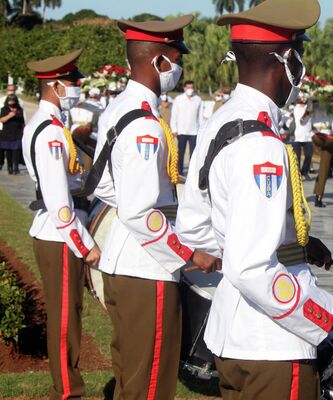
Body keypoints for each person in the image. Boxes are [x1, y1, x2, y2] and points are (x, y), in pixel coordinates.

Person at [177, 1, 333, 398]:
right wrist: (329, 310)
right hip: (273, 343)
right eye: (300, 56)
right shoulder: (262, 146)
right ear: (287, 59)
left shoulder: (220, 121)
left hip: (232, 335)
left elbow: (195, 227)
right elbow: (250, 267)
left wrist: (290, 246)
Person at [92, 16, 219, 400]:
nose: (179, 68)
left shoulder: (118, 108)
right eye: (176, 58)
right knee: (149, 387)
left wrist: (133, 201)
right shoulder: (146, 126)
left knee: (131, 375)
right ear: (159, 62)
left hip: (123, 259)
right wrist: (189, 253)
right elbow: (138, 211)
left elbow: (100, 183)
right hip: (148, 269)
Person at [23, 49, 101, 400]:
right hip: (60, 236)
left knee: (67, 316)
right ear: (55, 86)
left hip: (56, 234)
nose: (78, 85)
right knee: (65, 320)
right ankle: (68, 393)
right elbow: (60, 206)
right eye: (72, 81)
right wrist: (87, 247)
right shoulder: (52, 134)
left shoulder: (48, 125)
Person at [171, 80, 202, 174]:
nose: (190, 90)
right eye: (188, 88)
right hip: (181, 130)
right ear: (184, 88)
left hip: (194, 131)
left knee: (193, 153)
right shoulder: (178, 99)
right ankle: (179, 172)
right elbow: (174, 115)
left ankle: (192, 172)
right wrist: (174, 129)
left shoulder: (198, 100)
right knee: (180, 153)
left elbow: (200, 117)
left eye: (191, 88)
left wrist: (201, 130)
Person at [0, 94, 25, 174]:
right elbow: (2, 120)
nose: (11, 102)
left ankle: (16, 168)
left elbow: (22, 121)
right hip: (7, 133)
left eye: (13, 100)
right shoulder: (4, 109)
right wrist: (9, 116)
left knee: (16, 151)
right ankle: (9, 168)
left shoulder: (19, 109)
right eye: (10, 100)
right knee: (8, 152)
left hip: (17, 133)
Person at [291, 94, 314, 179]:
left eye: (304, 98)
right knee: (296, 157)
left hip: (308, 135)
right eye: (301, 98)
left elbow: (313, 100)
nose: (302, 100)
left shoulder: (310, 108)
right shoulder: (295, 108)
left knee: (309, 155)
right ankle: (296, 174)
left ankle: (305, 171)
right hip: (297, 136)